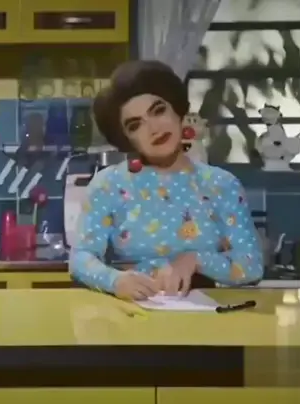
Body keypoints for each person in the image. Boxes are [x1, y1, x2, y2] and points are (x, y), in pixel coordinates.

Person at [69, 60, 263, 300]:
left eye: (159, 111)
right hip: (133, 313)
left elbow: (251, 265)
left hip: (205, 316)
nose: (154, 128)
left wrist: (195, 260)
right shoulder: (108, 184)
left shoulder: (221, 184)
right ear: (126, 139)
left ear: (177, 111)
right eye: (135, 125)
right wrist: (115, 281)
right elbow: (80, 259)